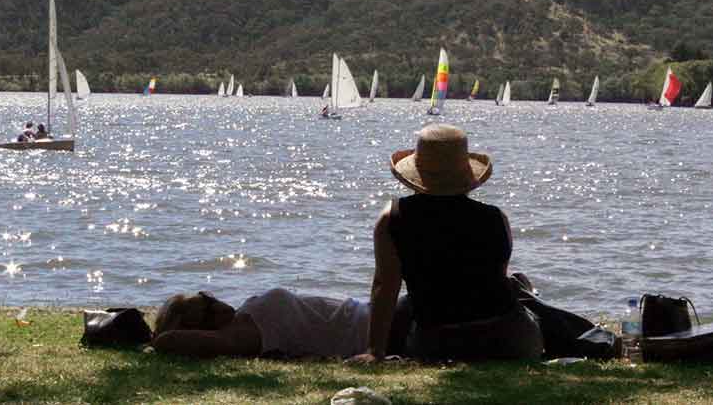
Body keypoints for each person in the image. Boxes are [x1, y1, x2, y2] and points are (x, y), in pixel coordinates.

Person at [351, 124, 543, 363]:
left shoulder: (393, 217)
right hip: (511, 341)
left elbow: (385, 285)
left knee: (407, 304)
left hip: (439, 342)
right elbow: (493, 278)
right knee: (519, 284)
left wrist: (375, 350)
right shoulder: (496, 217)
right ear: (465, 174)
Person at [151, 288, 409, 359]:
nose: (213, 299)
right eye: (206, 302)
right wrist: (155, 339)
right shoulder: (243, 335)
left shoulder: (245, 316)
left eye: (207, 295)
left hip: (377, 314)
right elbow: (167, 341)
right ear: (206, 324)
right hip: (382, 329)